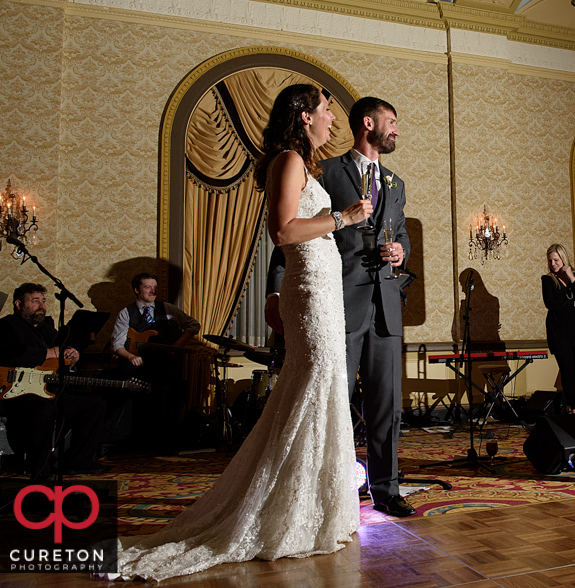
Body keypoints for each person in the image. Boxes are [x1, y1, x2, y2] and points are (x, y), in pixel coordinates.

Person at [111, 84, 371, 581]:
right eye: (327, 111)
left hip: (323, 291)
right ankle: (280, 508)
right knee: (314, 382)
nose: (333, 120)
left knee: (321, 385)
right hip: (311, 292)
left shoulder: (300, 162)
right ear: (303, 116)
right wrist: (342, 217)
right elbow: (283, 232)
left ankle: (312, 507)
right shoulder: (289, 160)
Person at [265, 96, 412, 518]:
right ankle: (332, 491)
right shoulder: (324, 170)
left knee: (387, 404)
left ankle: (386, 489)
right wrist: (275, 291)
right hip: (337, 301)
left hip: (386, 304)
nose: (397, 130)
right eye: (392, 121)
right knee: (332, 402)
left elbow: (401, 233)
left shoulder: (397, 184)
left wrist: (400, 251)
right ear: (368, 123)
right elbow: (290, 233)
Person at [0, 283, 107, 480]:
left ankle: (78, 462)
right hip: (19, 395)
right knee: (44, 410)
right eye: (35, 301)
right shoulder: (6, 326)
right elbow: (10, 354)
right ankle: (39, 468)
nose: (41, 305)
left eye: (43, 301)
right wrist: (47, 353)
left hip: (48, 390)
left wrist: (71, 357)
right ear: (18, 304)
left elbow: (59, 358)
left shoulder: (47, 329)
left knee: (94, 405)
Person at [109, 272, 201, 450]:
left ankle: (164, 442)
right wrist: (131, 357)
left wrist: (178, 344)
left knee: (169, 394)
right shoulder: (125, 313)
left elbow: (193, 325)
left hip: (163, 363)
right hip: (138, 365)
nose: (153, 291)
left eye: (155, 287)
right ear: (137, 290)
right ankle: (135, 441)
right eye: (148, 287)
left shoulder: (167, 309)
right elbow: (117, 346)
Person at [541, 243, 575, 412]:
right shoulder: (547, 279)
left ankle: (569, 405)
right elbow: (551, 303)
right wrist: (574, 303)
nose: (552, 264)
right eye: (550, 261)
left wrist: (571, 276)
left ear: (563, 259)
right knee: (567, 370)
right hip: (559, 331)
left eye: (555, 260)